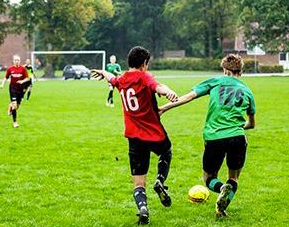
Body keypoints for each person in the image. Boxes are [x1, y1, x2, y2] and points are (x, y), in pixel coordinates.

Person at [159, 54, 256, 219]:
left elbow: (188, 97)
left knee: (209, 177)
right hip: (237, 138)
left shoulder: (215, 81)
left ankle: (221, 191)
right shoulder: (247, 91)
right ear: (241, 71)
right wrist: (238, 127)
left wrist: (164, 108)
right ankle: (224, 201)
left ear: (225, 70)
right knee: (234, 178)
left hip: (214, 138)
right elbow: (251, 124)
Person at [91, 46, 178, 225]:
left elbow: (112, 79)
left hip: (134, 138)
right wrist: (168, 92)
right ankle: (160, 181)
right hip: (154, 134)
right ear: (144, 64)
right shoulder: (144, 77)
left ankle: (143, 209)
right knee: (166, 152)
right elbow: (158, 87)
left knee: (139, 183)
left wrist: (102, 72)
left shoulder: (122, 79)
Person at [0, 55, 30, 128]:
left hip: (21, 89)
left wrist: (22, 81)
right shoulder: (10, 69)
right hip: (13, 89)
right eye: (15, 60)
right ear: (13, 61)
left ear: (20, 61)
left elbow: (28, 79)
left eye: (18, 60)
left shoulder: (23, 69)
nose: (17, 61)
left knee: (17, 106)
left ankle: (10, 107)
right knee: (14, 104)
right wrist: (2, 84)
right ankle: (15, 122)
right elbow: (6, 77)